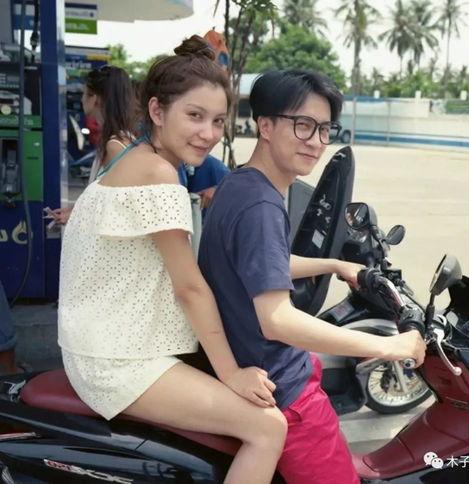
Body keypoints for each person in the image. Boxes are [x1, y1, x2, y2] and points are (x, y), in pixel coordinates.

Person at [57, 36, 286, 484]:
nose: (209, 133)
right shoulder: (159, 174)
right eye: (194, 116)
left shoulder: (129, 156)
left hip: (100, 344)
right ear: (157, 112)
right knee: (267, 427)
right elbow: (190, 287)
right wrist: (232, 374)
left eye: (217, 121)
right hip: (118, 362)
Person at [198, 69, 427, 484]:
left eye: (324, 129)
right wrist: (390, 345)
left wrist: (333, 265)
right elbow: (277, 320)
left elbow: (262, 263)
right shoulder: (261, 206)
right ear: (265, 125)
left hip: (261, 369)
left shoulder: (241, 184)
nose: (317, 141)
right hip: (283, 392)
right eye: (303, 125)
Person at [52, 65, 136, 225]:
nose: (81, 99)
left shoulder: (116, 146)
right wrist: (77, 210)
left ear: (96, 98)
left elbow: (121, 206)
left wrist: (77, 216)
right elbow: (105, 199)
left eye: (84, 93)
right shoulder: (117, 140)